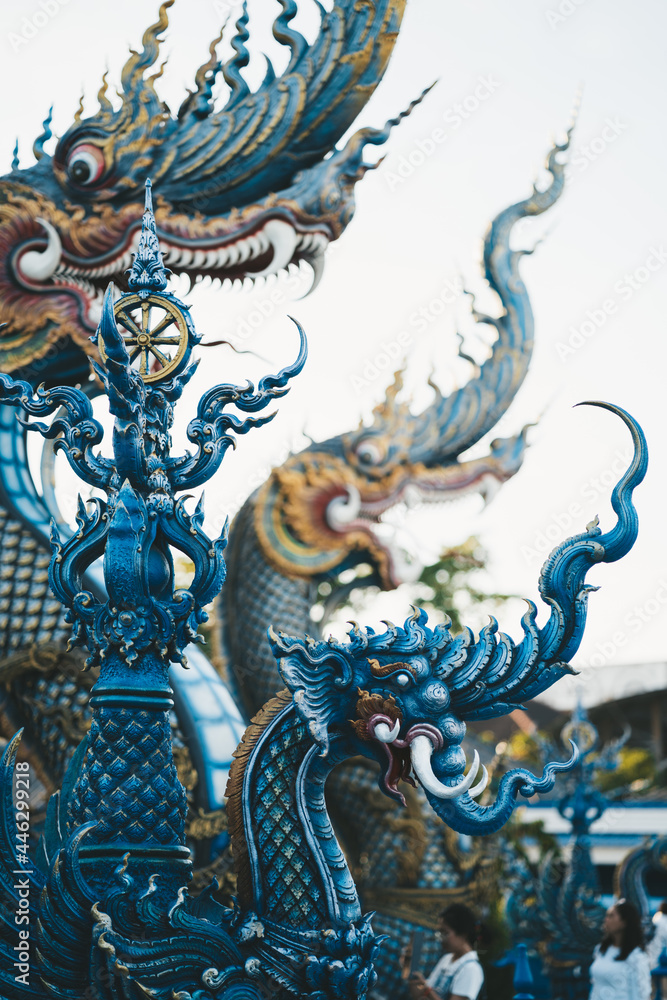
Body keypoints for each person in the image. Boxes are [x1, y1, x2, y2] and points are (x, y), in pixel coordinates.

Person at [405, 904, 485, 1000]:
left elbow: (427, 992)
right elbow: (420, 996)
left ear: (463, 934)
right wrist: (409, 966)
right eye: (440, 933)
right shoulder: (446, 959)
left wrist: (427, 989)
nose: (441, 939)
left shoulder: (471, 968)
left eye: (445, 933)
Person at [589, 899, 651, 1000]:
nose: (606, 920)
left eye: (611, 916)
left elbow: (642, 994)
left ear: (624, 922)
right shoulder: (601, 950)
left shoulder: (636, 957)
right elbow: (595, 987)